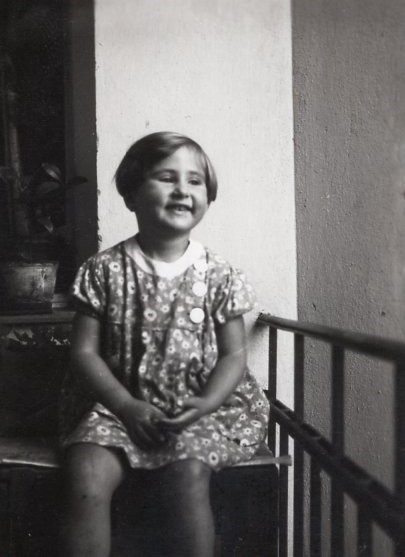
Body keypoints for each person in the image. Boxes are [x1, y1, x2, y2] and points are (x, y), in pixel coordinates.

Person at [58, 131, 269, 557]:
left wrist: (206, 402)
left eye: (195, 181)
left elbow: (233, 354)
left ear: (208, 197)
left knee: (187, 473)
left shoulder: (220, 274)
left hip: (195, 411)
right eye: (167, 177)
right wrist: (125, 405)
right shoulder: (104, 270)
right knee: (86, 472)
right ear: (131, 195)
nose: (182, 190)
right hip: (119, 407)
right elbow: (84, 351)